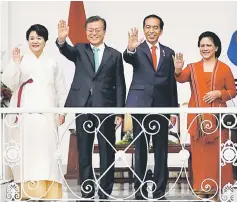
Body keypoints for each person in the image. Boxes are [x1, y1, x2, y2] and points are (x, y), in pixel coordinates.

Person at [55, 16, 126, 200]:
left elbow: (120, 84)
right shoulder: (79, 49)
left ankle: (105, 190)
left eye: (97, 30)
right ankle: (87, 189)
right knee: (84, 149)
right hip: (83, 105)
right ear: (86, 31)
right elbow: (66, 51)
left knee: (106, 150)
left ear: (104, 31)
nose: (93, 33)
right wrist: (62, 40)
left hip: (106, 107)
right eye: (90, 30)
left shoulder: (115, 55)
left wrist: (119, 111)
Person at [2, 24, 67, 199]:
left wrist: (61, 112)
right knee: (26, 153)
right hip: (25, 117)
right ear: (27, 41)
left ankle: (48, 193)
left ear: (45, 41)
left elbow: (61, 90)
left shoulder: (53, 63)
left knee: (47, 154)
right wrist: (15, 63)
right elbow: (9, 82)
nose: (35, 41)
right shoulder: (21, 59)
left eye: (39, 38)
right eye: (31, 38)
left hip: (47, 117)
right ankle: (26, 193)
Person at [174, 31, 236, 201]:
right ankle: (201, 190)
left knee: (217, 156)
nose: (205, 48)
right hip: (198, 120)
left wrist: (218, 93)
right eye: (202, 45)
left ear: (216, 47)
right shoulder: (192, 67)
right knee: (200, 156)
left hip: (217, 121)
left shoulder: (224, 68)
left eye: (209, 45)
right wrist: (178, 68)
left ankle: (216, 190)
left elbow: (233, 91)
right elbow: (179, 78)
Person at [123, 14, 178, 200]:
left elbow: (172, 83)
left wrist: (173, 110)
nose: (151, 30)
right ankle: (139, 192)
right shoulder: (136, 49)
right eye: (148, 27)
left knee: (161, 151)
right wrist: (130, 49)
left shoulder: (169, 52)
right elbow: (127, 57)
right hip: (141, 105)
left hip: (161, 107)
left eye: (155, 27)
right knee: (141, 150)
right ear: (144, 29)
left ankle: (159, 191)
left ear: (161, 31)